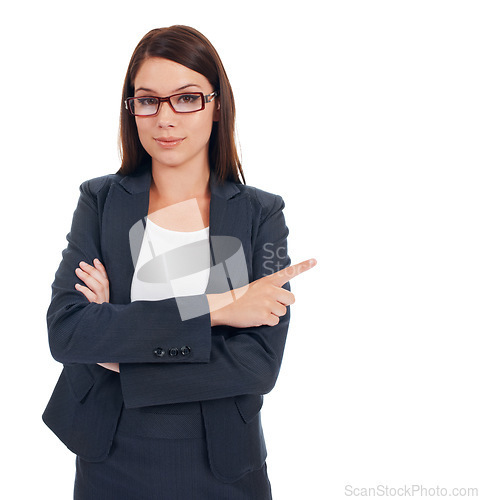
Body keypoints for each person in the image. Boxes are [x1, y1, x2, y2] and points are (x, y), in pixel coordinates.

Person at [43, 25, 317, 499]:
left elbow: (257, 366)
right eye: (147, 100)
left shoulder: (261, 215)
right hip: (109, 453)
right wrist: (221, 308)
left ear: (216, 107)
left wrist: (122, 351)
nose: (164, 118)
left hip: (223, 460)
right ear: (132, 110)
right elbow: (68, 332)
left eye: (186, 98)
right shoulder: (99, 201)